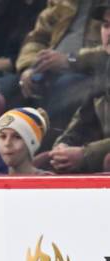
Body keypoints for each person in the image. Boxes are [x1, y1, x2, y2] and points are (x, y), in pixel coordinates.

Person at [15, 0, 103, 139]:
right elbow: (38, 35)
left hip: (89, 71)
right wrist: (29, 66)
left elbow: (105, 52)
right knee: (9, 87)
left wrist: (70, 60)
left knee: (66, 86)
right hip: (48, 66)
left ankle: (45, 153)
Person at [48, 1, 110, 174]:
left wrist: (85, 155)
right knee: (45, 161)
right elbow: (83, 118)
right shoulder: (105, 65)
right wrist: (63, 145)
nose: (109, 32)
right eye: (106, 25)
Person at [0, 107, 51, 175]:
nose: (7, 143)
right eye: (3, 136)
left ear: (32, 143)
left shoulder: (48, 181)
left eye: (17, 137)